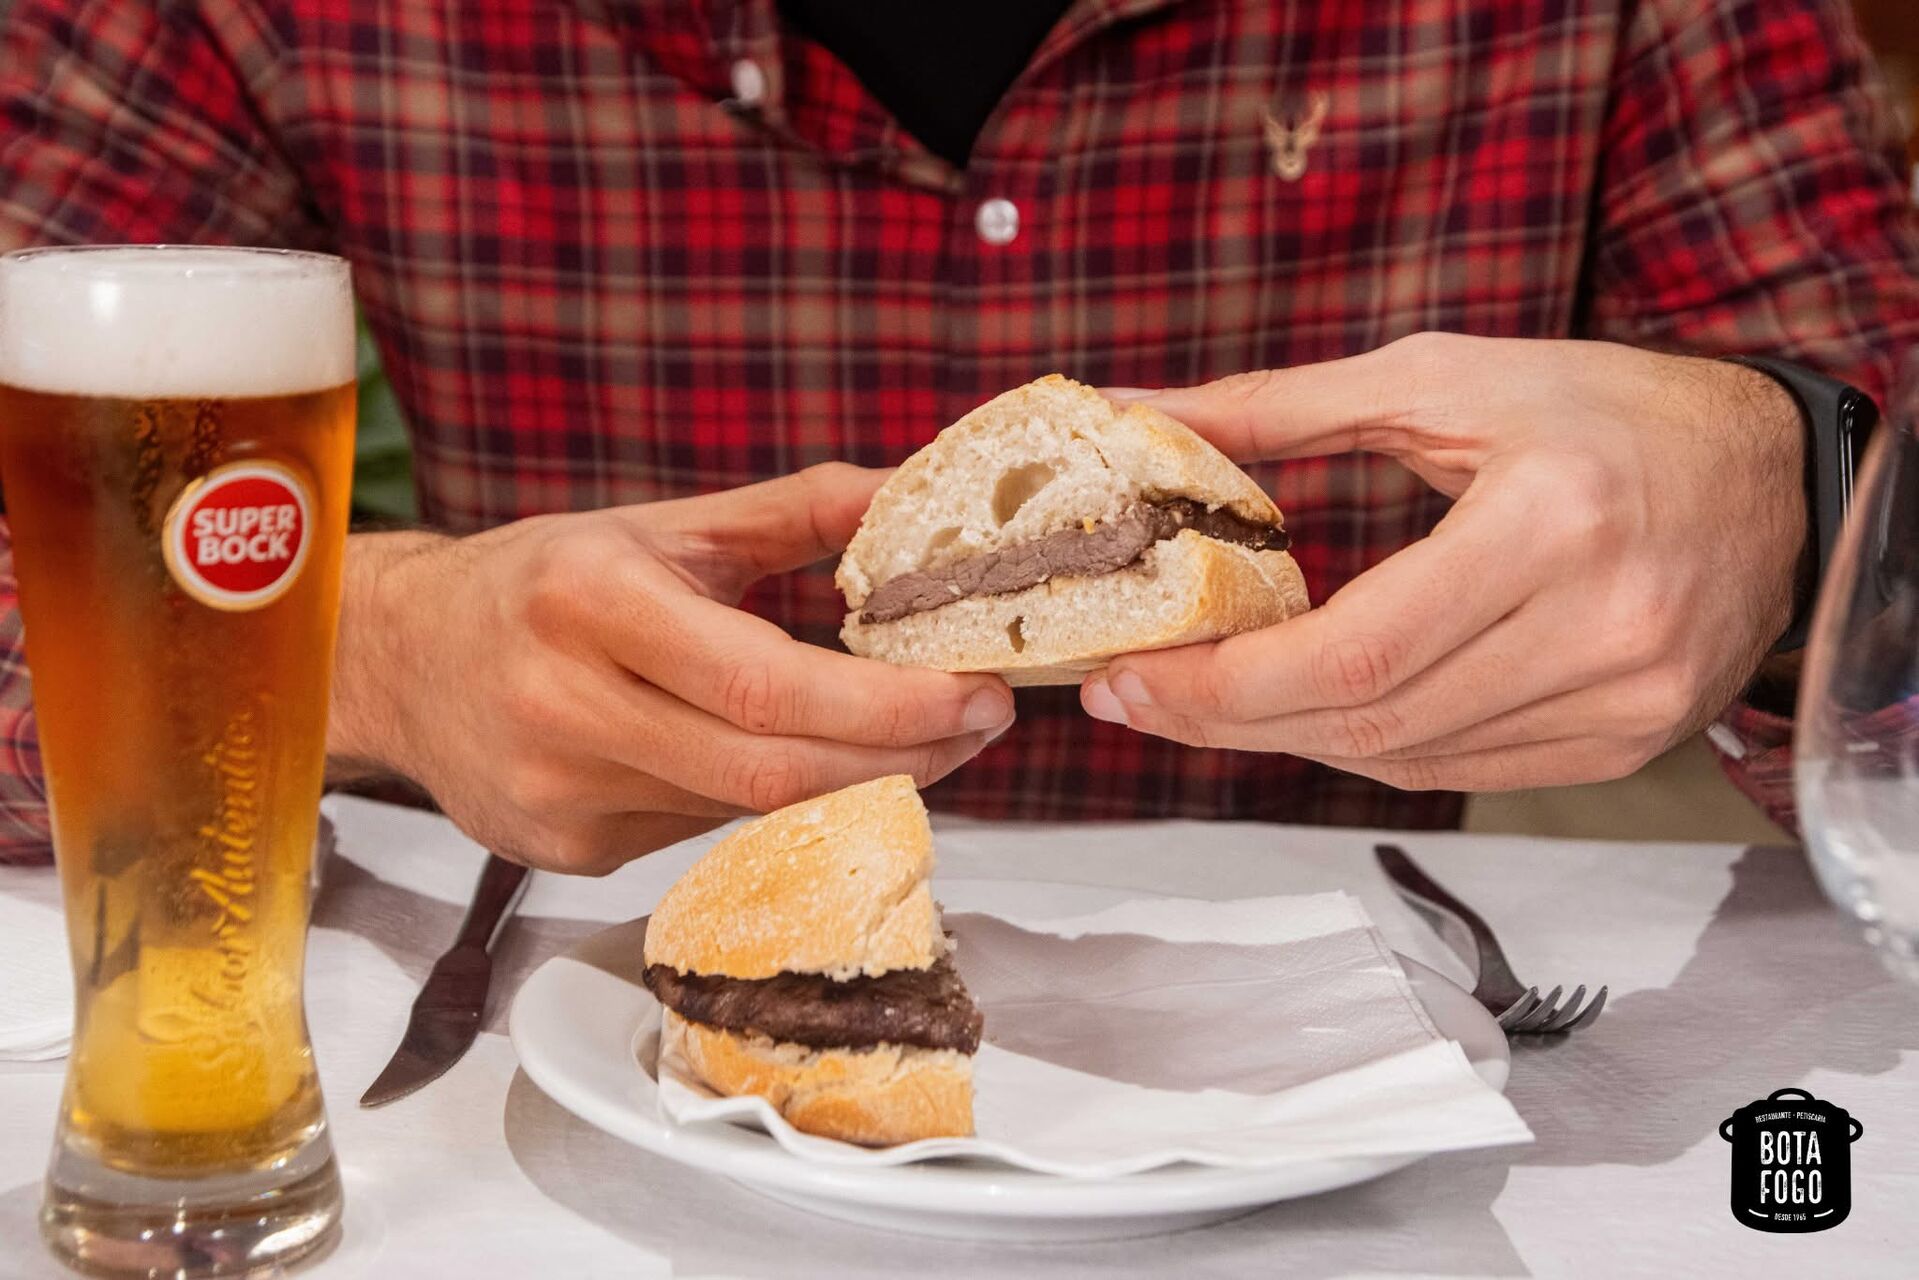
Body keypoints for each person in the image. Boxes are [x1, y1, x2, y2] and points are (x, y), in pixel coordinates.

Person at [0, 0, 1914, 872]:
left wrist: (1797, 494)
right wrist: (365, 649)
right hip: (587, 1071)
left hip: (1373, 1122)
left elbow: (1872, 425)